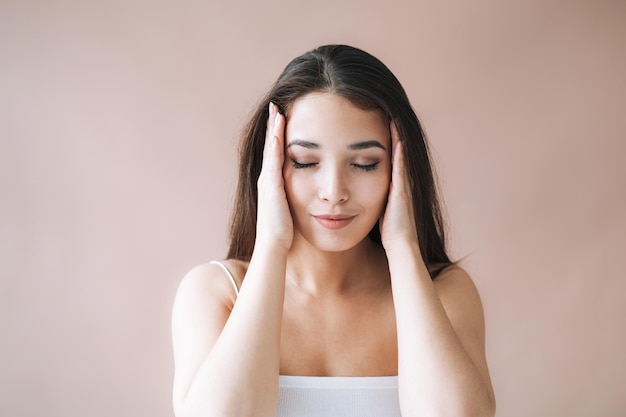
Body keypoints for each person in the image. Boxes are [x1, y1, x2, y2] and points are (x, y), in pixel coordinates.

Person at [171, 44, 496, 417]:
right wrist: (271, 245)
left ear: (399, 168)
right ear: (271, 165)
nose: (334, 192)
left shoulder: (446, 293)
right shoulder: (215, 293)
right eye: (305, 162)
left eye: (364, 163)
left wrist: (402, 246)